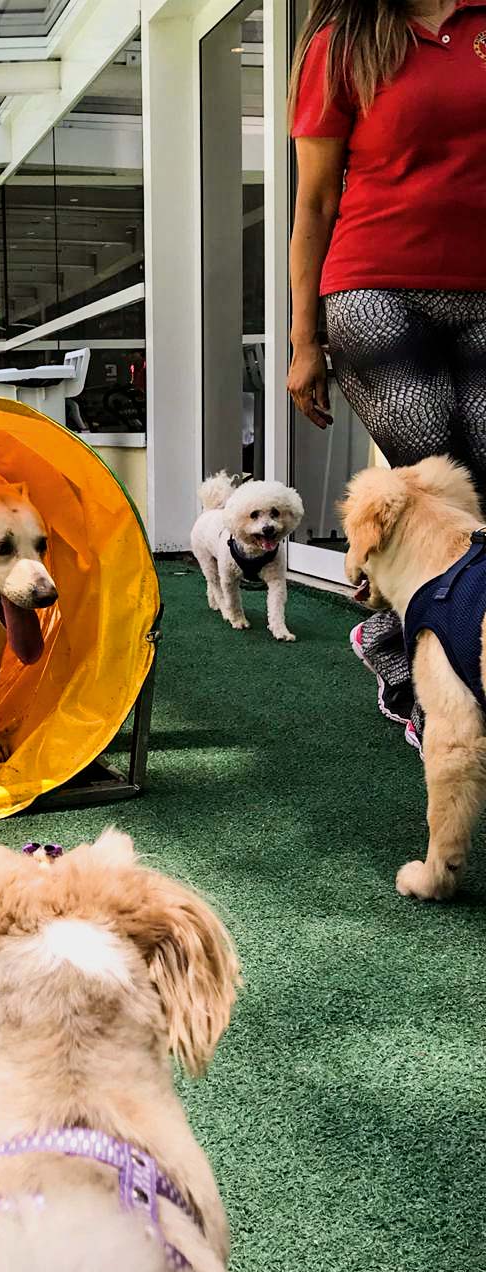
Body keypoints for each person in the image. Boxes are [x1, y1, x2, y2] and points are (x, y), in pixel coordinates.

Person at [287, 0, 486, 750]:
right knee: (441, 490)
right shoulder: (344, 43)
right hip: (375, 291)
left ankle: (389, 635)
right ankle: (428, 682)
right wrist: (304, 340)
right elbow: (314, 202)